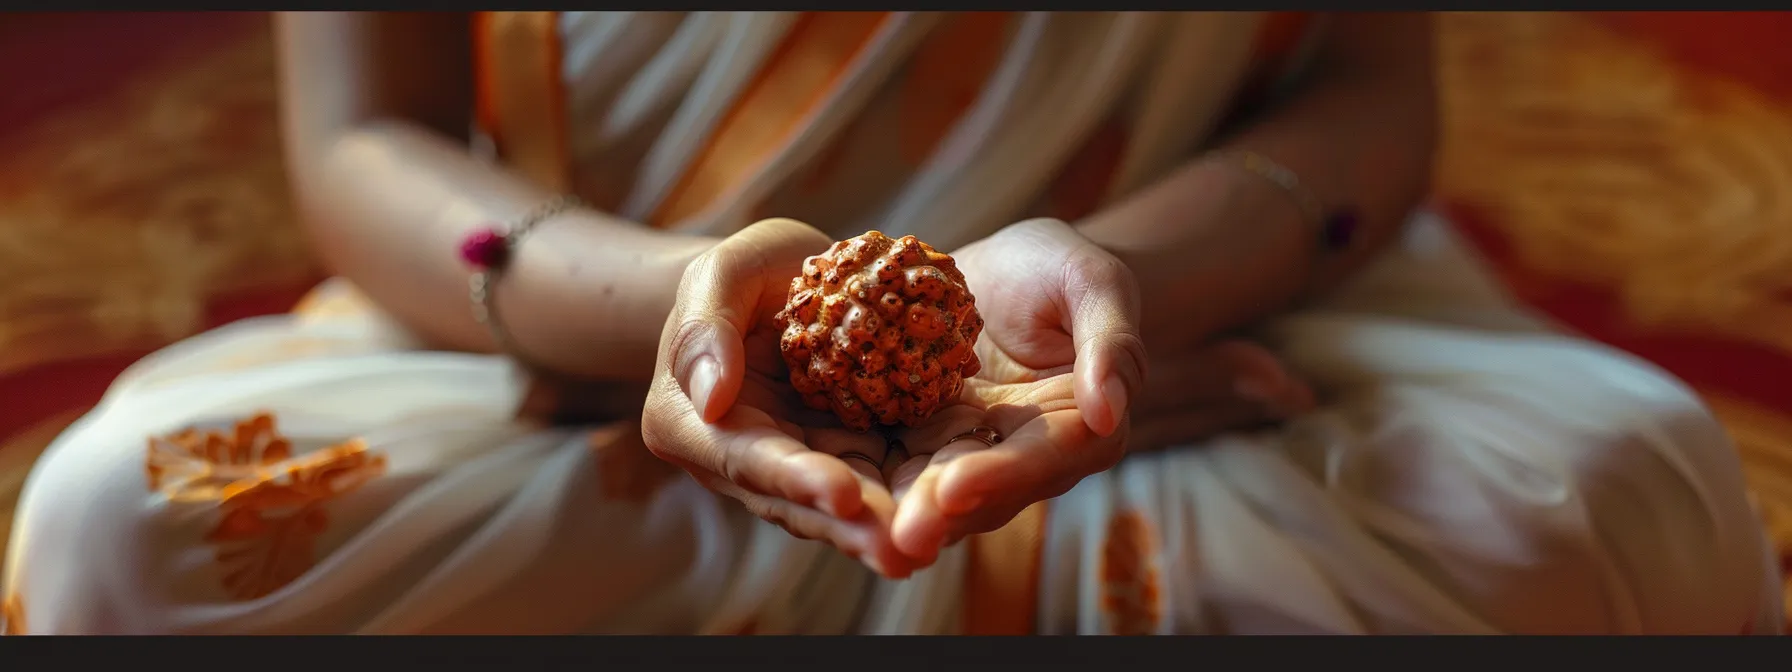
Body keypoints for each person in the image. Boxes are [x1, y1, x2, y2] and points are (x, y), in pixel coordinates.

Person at [0, 11, 1780, 635]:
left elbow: (1365, 99)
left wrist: (1116, 297)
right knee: (121, 538)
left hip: (1182, 296)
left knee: (1614, 516)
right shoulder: (634, 324)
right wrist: (679, 323)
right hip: (585, 339)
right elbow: (362, 140)